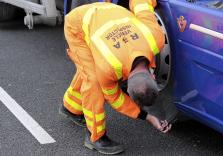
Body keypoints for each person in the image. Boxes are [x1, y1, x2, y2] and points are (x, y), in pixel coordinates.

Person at [60, 0, 172, 154]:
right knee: (93, 80)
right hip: (77, 24)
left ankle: (70, 107)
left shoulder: (154, 38)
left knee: (90, 69)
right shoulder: (108, 68)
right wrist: (147, 116)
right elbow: (115, 98)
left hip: (108, 12)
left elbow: (141, 4)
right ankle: (95, 137)